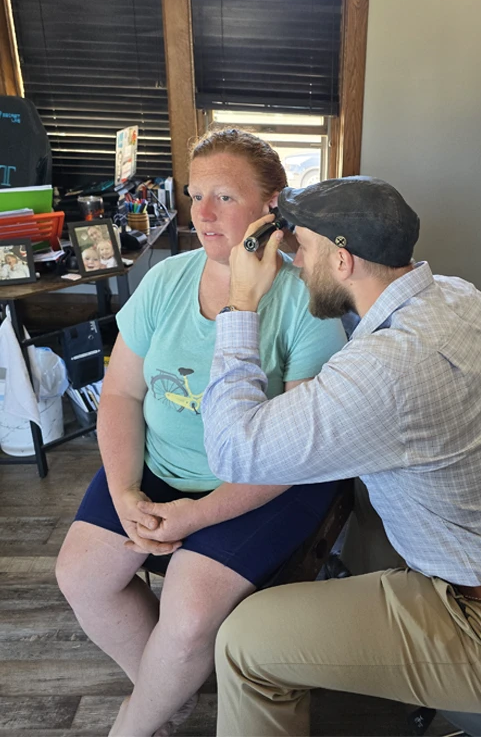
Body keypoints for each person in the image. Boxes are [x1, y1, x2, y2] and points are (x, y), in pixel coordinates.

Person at [201, 176, 481, 737]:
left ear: (342, 259)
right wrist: (307, 251)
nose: (293, 255)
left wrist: (240, 302)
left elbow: (231, 451)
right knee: (361, 497)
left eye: (302, 248)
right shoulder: (462, 297)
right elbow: (366, 317)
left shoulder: (388, 373)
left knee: (243, 643)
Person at [55, 130, 347, 737]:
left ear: (272, 207)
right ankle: (168, 694)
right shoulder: (165, 282)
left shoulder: (306, 302)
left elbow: (293, 450)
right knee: (80, 575)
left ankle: (136, 721)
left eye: (223, 197)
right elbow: (122, 393)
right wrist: (127, 491)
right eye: (195, 195)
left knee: (187, 619)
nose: (203, 214)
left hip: (260, 481)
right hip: (161, 465)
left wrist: (195, 517)